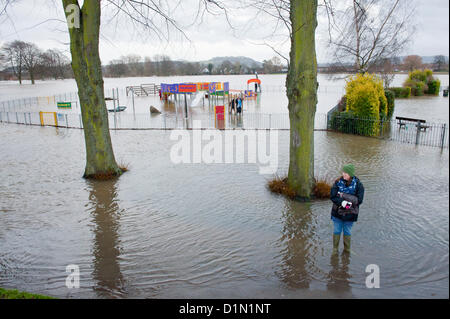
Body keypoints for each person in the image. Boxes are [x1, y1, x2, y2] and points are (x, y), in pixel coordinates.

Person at [330, 164, 364, 254]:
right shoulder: (337, 183)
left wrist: (343, 196)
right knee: (337, 230)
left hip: (350, 213)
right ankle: (335, 250)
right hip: (337, 212)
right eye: (343, 172)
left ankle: (347, 249)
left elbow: (359, 200)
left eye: (346, 173)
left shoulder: (359, 185)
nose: (343, 174)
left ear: (351, 174)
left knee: (347, 231)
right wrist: (342, 202)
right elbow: (333, 196)